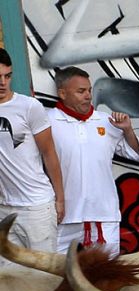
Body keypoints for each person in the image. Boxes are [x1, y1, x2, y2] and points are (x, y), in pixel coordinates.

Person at [49, 66, 139, 256]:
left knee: (105, 277)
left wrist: (127, 130)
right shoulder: (47, 121)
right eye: (81, 91)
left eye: (89, 90)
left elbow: (134, 154)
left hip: (103, 214)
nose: (88, 96)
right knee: (58, 277)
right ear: (62, 93)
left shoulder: (106, 120)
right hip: (63, 217)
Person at [0, 47, 65, 260]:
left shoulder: (28, 106)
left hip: (36, 207)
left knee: (44, 277)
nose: (3, 82)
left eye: (7, 76)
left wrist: (60, 200)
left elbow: (49, 153)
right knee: (10, 280)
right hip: (3, 209)